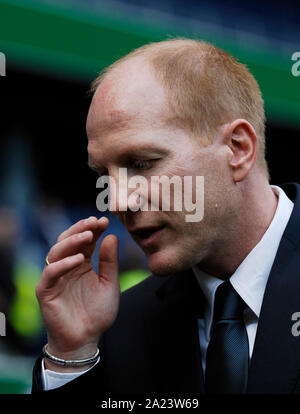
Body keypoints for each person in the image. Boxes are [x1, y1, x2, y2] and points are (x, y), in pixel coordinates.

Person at [32, 38, 300, 394]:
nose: (118, 202)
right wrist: (73, 356)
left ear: (238, 149)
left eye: (141, 163)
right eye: (104, 176)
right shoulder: (120, 326)